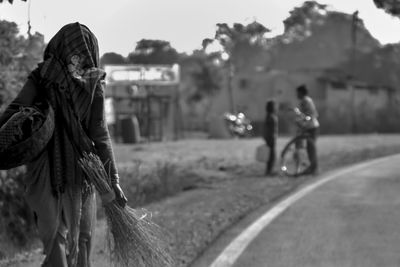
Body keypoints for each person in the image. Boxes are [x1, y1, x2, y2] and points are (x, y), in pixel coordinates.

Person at [0, 23, 127, 267]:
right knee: (67, 237)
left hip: (75, 170)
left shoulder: (76, 82)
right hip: (65, 166)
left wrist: (113, 180)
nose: (75, 58)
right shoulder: (55, 78)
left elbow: (99, 132)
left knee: (69, 235)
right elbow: (99, 134)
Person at [295, 84, 319, 175]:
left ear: (301, 93)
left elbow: (312, 114)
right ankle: (312, 168)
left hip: (311, 127)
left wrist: (303, 120)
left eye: (297, 93)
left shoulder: (306, 101)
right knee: (309, 148)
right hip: (309, 127)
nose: (296, 94)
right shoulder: (305, 100)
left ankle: (313, 169)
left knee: (311, 148)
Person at [263, 100, 278, 176]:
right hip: (270, 137)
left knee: (271, 155)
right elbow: (268, 128)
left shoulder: (271, 115)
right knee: (271, 155)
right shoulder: (270, 116)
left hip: (271, 137)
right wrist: (268, 137)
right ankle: (269, 171)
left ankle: (270, 170)